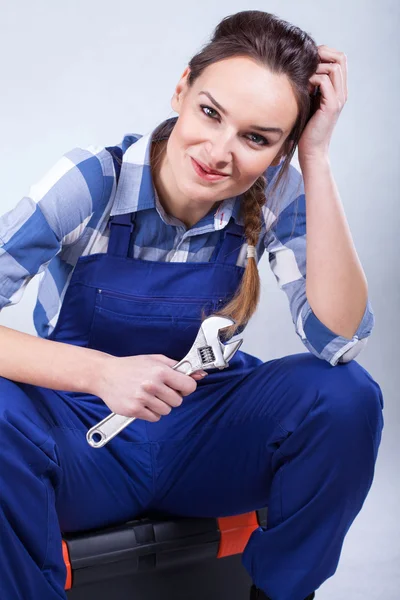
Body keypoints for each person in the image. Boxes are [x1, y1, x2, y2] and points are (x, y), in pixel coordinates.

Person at [0, 9, 384, 600]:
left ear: (281, 147)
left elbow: (340, 338)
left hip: (204, 441)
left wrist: (316, 159)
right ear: (182, 88)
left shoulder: (276, 194)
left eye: (257, 138)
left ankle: (279, 593)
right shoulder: (91, 181)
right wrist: (103, 374)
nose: (219, 151)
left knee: (346, 395)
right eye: (211, 113)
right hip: (81, 439)